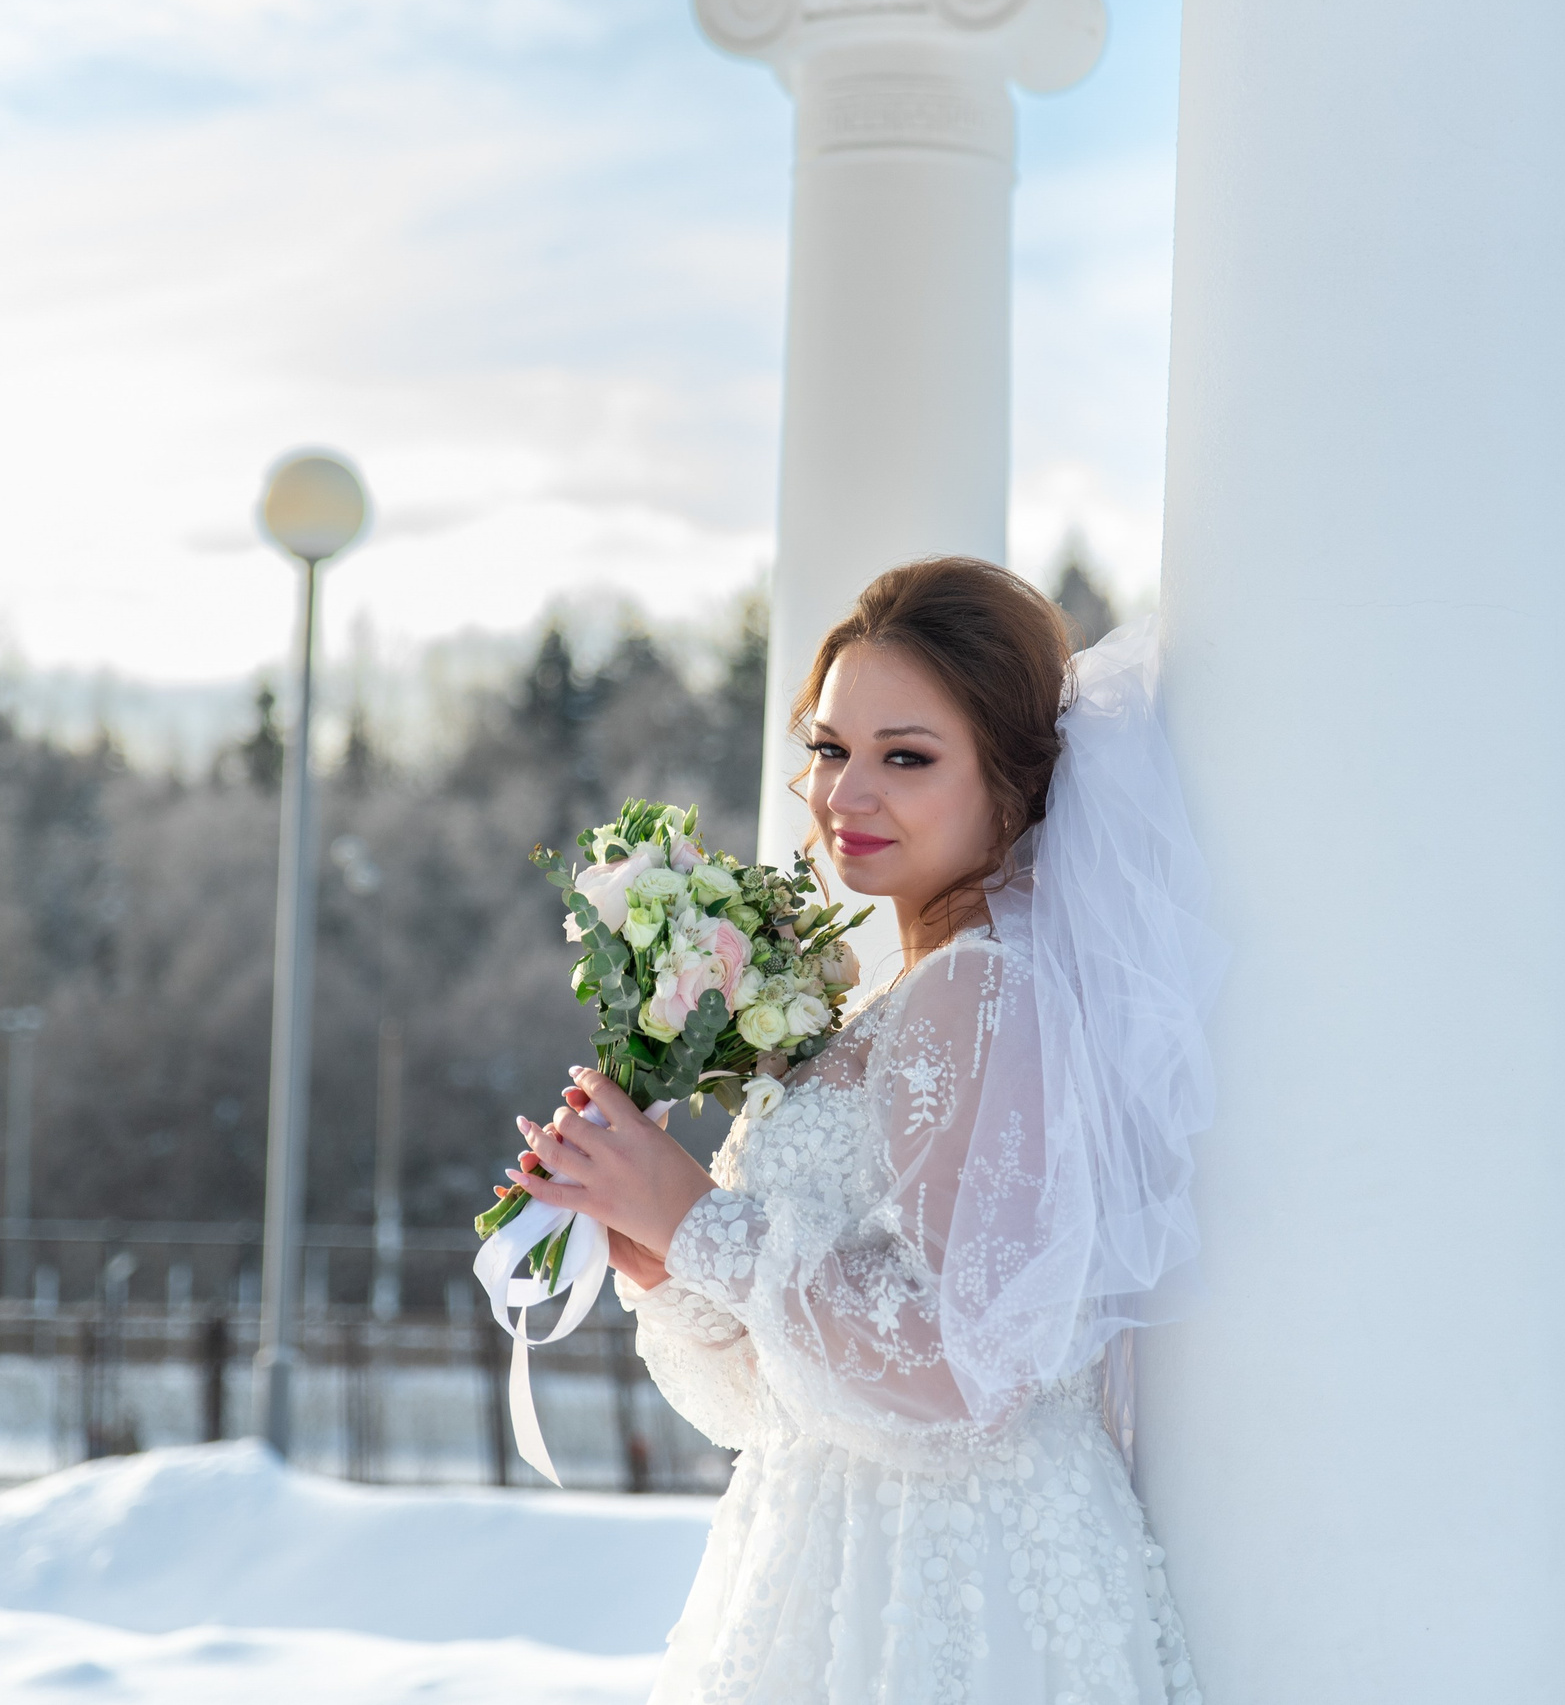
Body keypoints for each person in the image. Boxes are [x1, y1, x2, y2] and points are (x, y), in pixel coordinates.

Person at [506, 557, 1224, 1705]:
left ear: (1013, 779)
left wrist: (699, 1220)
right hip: (841, 1553)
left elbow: (960, 1374)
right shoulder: (917, 992)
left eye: (907, 756)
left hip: (945, 1578)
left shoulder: (979, 990)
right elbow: (804, 1389)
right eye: (832, 747)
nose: (846, 792)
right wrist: (665, 1255)